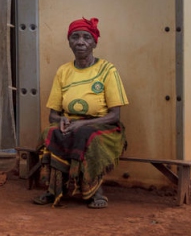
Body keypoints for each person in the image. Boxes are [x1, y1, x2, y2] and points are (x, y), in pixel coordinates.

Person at [33, 17, 128, 208]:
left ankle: (94, 192)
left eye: (86, 37)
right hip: (71, 123)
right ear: (69, 42)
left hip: (103, 125)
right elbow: (53, 115)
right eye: (75, 37)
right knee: (51, 132)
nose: (80, 42)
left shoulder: (107, 70)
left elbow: (115, 115)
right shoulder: (63, 71)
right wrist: (62, 121)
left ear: (94, 42)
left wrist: (81, 124)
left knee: (85, 135)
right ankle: (53, 190)